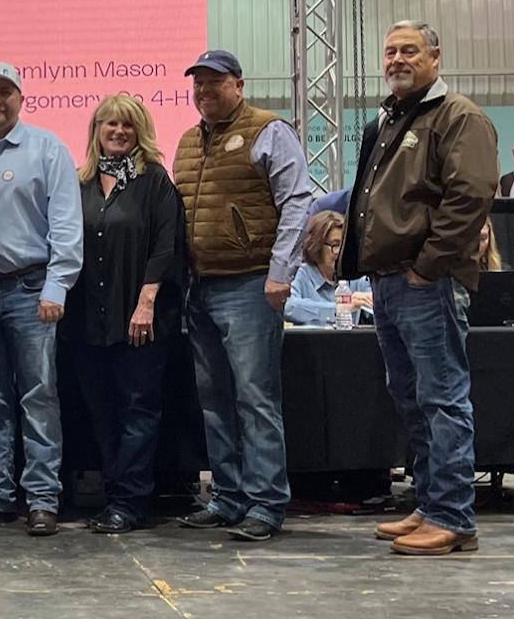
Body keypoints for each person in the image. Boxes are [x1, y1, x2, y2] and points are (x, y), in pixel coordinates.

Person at [341, 21, 497, 556]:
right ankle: (431, 505)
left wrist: (428, 267)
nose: (397, 60)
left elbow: (470, 195)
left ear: (436, 57)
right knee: (412, 399)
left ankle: (453, 516)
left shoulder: (459, 116)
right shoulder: (391, 119)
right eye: (390, 52)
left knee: (442, 399)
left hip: (426, 282)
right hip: (389, 281)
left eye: (409, 50)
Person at [172, 49, 310, 543]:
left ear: (239, 85)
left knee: (255, 398)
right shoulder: (189, 142)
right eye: (198, 83)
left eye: (215, 82)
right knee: (214, 401)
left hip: (250, 284)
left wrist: (281, 272)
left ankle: (266, 503)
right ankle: (228, 497)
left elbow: (298, 201)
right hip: (200, 288)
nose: (204, 91)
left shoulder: (269, 130)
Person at [0, 62, 83, 536]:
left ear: (20, 98)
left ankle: (42, 498)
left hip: (32, 290)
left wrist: (57, 285)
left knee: (38, 395)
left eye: (5, 92)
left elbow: (66, 224)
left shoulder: (47, 149)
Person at [65, 94, 183, 533]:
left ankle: (130, 503)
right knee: (101, 412)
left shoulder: (154, 180)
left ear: (140, 132)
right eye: (109, 123)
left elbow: (167, 246)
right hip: (87, 321)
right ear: (96, 130)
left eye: (127, 125)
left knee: (138, 411)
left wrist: (146, 302)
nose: (118, 131)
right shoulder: (80, 183)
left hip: (139, 319)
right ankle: (113, 497)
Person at [285, 211, 372, 327]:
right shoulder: (301, 274)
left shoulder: (355, 277)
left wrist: (372, 302)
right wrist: (337, 309)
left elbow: (379, 310)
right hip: (311, 338)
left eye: (344, 246)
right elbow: (288, 307)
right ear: (316, 246)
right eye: (335, 245)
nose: (340, 252)